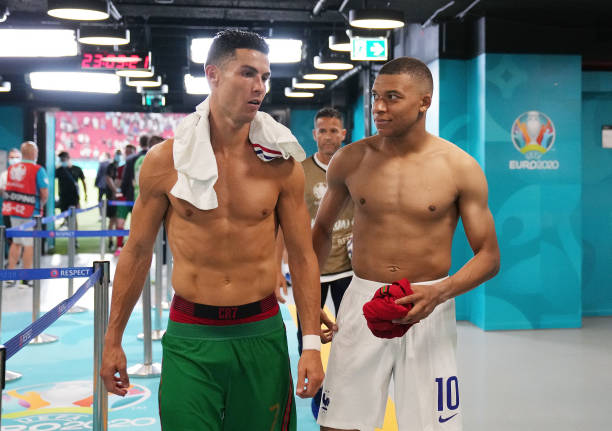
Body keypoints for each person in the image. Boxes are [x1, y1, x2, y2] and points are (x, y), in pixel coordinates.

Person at [101, 30, 325, 431]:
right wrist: (112, 338)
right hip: (191, 336)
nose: (259, 86)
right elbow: (136, 252)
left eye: (265, 76)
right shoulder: (165, 161)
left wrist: (310, 344)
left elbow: (303, 255)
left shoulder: (282, 163)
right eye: (247, 73)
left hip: (261, 332)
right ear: (213, 75)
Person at [312, 57, 500, 431]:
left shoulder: (459, 167)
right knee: (338, 425)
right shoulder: (350, 160)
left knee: (432, 426)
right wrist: (308, 297)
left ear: (424, 102)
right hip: (361, 300)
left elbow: (489, 255)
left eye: (392, 97)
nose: (378, 107)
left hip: (429, 305)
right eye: (375, 96)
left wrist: (440, 292)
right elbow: (320, 231)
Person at [1, 141, 49, 287]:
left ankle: (10, 275)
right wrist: (41, 204)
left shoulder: (11, 168)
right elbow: (44, 192)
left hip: (14, 210)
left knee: (16, 242)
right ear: (34, 153)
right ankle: (26, 277)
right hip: (30, 212)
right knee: (29, 244)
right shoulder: (37, 169)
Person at [113, 144, 136, 256]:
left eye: (129, 152)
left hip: (136, 198)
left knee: (136, 224)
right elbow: (117, 182)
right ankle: (119, 246)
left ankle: (134, 248)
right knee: (120, 222)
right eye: (126, 153)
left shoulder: (139, 166)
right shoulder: (121, 168)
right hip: (123, 199)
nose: (127, 155)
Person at [55, 151, 87, 227]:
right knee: (66, 216)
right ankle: (70, 233)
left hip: (74, 197)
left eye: (63, 159)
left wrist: (85, 194)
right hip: (63, 197)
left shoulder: (77, 169)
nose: (62, 161)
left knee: (74, 217)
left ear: (68, 158)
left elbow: (83, 182)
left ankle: (74, 237)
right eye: (61, 160)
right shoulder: (59, 170)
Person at [0, 148, 22, 248]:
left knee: (22, 237)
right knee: (10, 236)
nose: (14, 160)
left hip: (23, 211)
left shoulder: (26, 174)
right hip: (8, 210)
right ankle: (13, 259)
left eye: (17, 157)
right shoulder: (4, 175)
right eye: (12, 157)